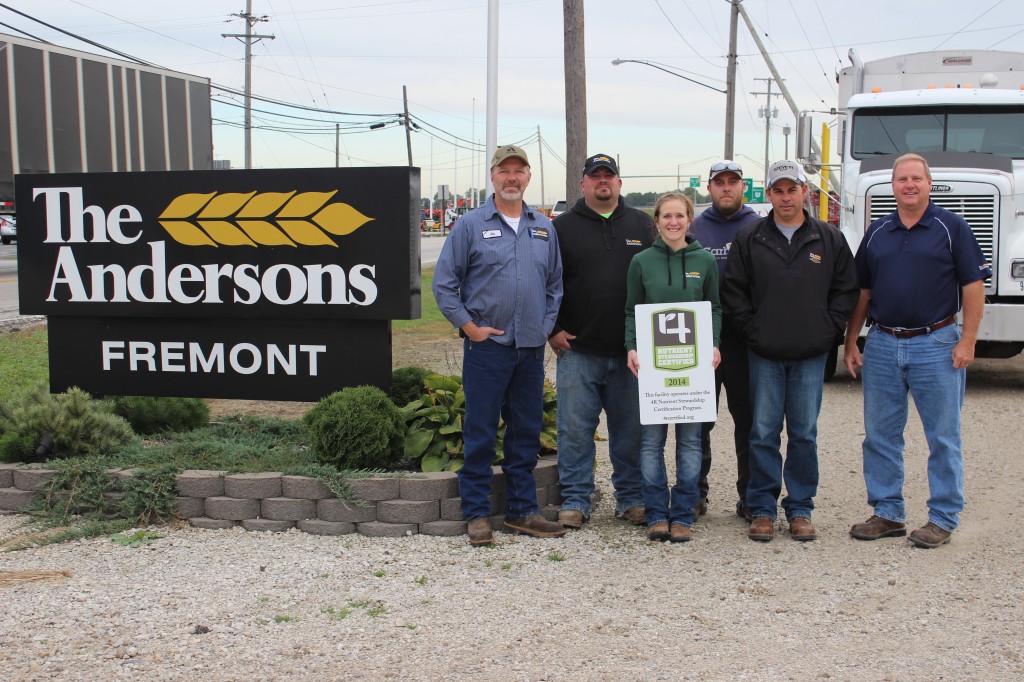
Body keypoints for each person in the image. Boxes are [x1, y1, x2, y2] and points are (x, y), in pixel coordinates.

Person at [845, 153, 990, 549]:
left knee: (943, 436)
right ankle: (887, 511)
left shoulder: (952, 228)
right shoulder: (878, 231)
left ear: (928, 184)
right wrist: (851, 340)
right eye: (902, 179)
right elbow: (863, 291)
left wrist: (968, 340)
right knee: (880, 435)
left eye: (916, 178)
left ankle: (942, 517)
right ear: (893, 186)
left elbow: (973, 286)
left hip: (936, 343)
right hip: (882, 342)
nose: (909, 185)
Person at [433, 144, 567, 547]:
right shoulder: (471, 225)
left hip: (529, 349)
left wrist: (544, 326)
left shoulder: (543, 227)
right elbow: (444, 284)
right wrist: (469, 328)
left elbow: (555, 285)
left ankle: (522, 511)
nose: (512, 177)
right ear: (493, 176)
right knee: (480, 429)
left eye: (519, 170)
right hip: (487, 349)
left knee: (525, 431)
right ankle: (477, 514)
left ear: (528, 177)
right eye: (504, 170)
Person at [721, 160, 858, 542]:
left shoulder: (828, 238)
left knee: (804, 434)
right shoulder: (750, 238)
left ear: (804, 192)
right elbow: (734, 291)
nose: (786, 197)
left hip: (810, 355)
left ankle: (800, 508)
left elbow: (846, 289)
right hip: (763, 353)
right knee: (762, 432)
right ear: (768, 194)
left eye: (792, 189)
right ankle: (762, 508)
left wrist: (828, 329)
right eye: (778, 190)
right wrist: (754, 329)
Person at [548, 153, 652, 529]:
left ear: (619, 183)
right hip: (579, 350)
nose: (602, 181)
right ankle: (576, 499)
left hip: (630, 352)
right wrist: (553, 329)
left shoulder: (643, 224)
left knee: (631, 431)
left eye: (609, 175)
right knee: (575, 431)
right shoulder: (562, 227)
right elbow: (548, 280)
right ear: (583, 183)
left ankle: (632, 498)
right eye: (596, 176)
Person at [624, 192, 721, 543]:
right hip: (654, 366)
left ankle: (682, 512)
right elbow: (632, 309)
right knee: (651, 442)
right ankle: (655, 513)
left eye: (680, 215)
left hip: (692, 367)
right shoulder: (641, 262)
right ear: (657, 221)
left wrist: (714, 343)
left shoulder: (704, 261)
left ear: (689, 220)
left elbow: (714, 308)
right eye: (666, 216)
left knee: (691, 442)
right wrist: (631, 347)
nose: (673, 222)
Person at [689, 160, 760, 522]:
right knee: (698, 420)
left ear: (743, 187)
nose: (727, 188)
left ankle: (750, 497)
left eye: (733, 182)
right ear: (710, 188)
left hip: (744, 340)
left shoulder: (757, 226)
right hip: (701, 339)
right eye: (720, 182)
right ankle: (694, 493)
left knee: (748, 421)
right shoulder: (694, 228)